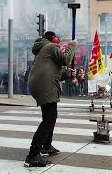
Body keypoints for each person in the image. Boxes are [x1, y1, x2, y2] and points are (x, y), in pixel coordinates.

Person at [25, 31, 76, 167]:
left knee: (50, 117)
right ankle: (33, 155)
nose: (58, 41)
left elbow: (52, 73)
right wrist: (71, 46)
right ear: (53, 39)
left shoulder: (43, 49)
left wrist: (66, 75)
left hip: (41, 84)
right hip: (44, 86)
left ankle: (46, 146)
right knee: (49, 119)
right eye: (56, 38)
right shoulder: (51, 47)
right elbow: (66, 59)